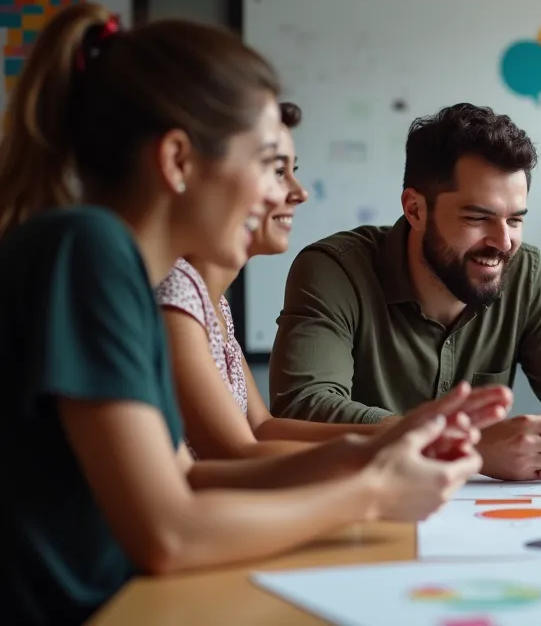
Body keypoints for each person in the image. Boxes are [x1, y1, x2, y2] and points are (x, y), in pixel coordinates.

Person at [0, 3, 508, 625]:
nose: (281, 192)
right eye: (269, 163)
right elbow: (171, 532)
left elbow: (189, 478)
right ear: (179, 160)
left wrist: (385, 445)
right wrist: (371, 495)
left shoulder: (118, 268)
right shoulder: (87, 251)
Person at [269, 102, 541, 481]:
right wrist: (466, 445)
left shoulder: (526, 273)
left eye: (514, 220)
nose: (503, 242)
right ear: (414, 210)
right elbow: (304, 407)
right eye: (477, 218)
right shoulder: (335, 268)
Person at [156, 101, 382, 459]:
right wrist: (380, 456)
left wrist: (396, 431)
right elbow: (236, 453)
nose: (298, 192)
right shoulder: (176, 291)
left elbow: (261, 427)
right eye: (276, 171)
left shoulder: (213, 300)